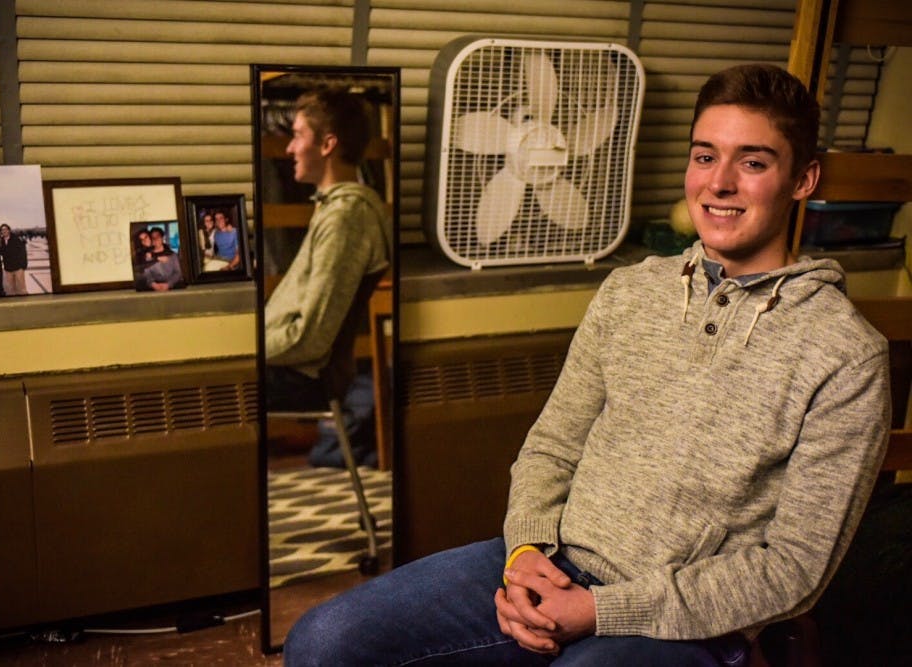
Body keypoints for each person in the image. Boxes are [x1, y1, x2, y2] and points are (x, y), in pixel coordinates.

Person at [283, 64, 891, 666]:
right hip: (554, 563)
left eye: (753, 162)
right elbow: (551, 447)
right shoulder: (631, 293)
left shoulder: (845, 353)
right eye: (705, 157)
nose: (719, 183)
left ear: (803, 179)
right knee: (323, 641)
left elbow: (793, 570)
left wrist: (602, 611)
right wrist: (524, 554)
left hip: (681, 622)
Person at [264, 87, 391, 410]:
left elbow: (310, 339)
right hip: (288, 365)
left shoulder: (345, 218)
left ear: (327, 144)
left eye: (297, 136)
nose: (290, 148)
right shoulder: (335, 210)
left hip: (300, 375)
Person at [137, 227, 183, 292]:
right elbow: (147, 274)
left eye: (158, 236)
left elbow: (178, 272)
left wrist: (168, 284)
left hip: (173, 288)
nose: (156, 239)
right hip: (153, 289)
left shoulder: (172, 255)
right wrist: (153, 284)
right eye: (153, 238)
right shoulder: (147, 256)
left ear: (162, 238)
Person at [0, 224, 28, 295]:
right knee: (11, 289)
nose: (4, 231)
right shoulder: (1, 241)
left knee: (22, 289)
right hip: (8, 269)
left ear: (9, 230)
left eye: (5, 229)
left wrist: (23, 266)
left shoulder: (16, 239)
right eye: (2, 230)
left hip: (18, 268)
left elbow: (23, 252)